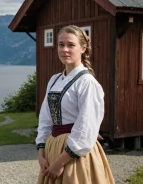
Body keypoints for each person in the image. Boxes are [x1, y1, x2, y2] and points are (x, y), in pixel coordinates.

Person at [36, 25, 115, 184]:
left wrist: (60, 162)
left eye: (71, 45)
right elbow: (45, 119)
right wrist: (41, 154)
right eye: (60, 44)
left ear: (83, 48)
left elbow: (86, 127)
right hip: (52, 149)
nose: (64, 49)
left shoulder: (87, 83)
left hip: (73, 155)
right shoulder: (55, 80)